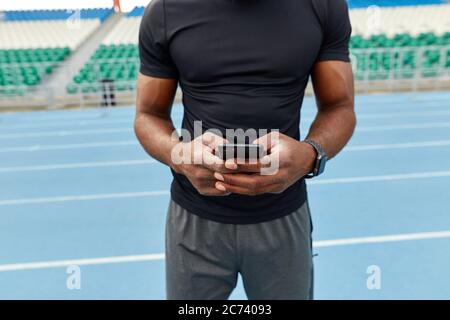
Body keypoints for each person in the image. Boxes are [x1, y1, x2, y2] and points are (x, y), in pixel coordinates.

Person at [135, 0, 356, 300]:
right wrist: (181, 156)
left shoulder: (322, 6)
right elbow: (148, 115)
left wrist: (309, 155)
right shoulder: (164, 10)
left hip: (283, 216)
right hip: (194, 222)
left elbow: (340, 107)